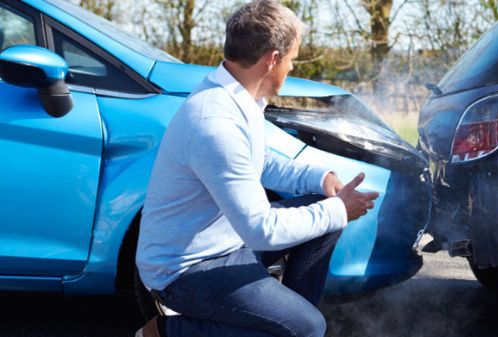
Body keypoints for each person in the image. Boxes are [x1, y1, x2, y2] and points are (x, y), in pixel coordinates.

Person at [134, 1, 379, 336]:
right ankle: (166, 331)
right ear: (273, 59)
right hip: (185, 269)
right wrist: (338, 209)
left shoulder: (237, 99)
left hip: (225, 243)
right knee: (307, 328)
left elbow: (259, 162)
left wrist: (321, 179)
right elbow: (260, 230)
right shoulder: (214, 121)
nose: (291, 68)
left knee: (322, 216)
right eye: (292, 59)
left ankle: (283, 319)